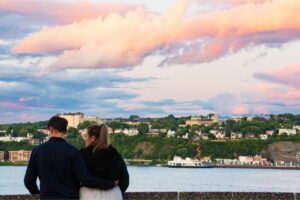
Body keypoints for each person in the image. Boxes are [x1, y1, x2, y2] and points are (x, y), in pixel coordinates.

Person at [24, 116, 117, 199]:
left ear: (51, 129)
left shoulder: (37, 151)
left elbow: (28, 181)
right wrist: (110, 184)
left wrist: (37, 193)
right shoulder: (73, 152)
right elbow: (85, 179)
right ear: (65, 131)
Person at [80, 124, 129, 200]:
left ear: (92, 138)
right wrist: (113, 189)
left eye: (86, 136)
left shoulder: (82, 155)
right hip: (113, 194)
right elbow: (125, 180)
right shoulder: (115, 154)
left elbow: (77, 178)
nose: (84, 139)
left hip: (88, 194)